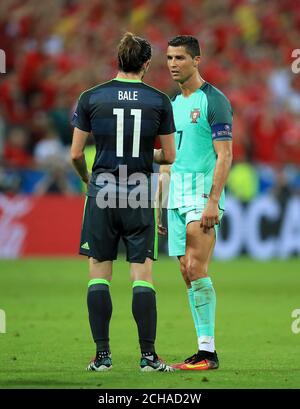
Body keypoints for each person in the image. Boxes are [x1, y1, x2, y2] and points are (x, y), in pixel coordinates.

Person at [70, 32, 176, 372]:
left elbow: (74, 153)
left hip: (101, 189)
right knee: (142, 276)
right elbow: (169, 156)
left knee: (99, 275)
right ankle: (148, 357)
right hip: (138, 191)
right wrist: (146, 151)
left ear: (118, 59)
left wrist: (88, 179)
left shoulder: (90, 97)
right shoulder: (159, 101)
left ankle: (102, 357)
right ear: (146, 64)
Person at [158, 35, 233, 370]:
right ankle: (203, 349)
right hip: (175, 195)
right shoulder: (172, 104)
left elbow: (225, 154)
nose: (173, 64)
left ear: (196, 60)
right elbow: (168, 158)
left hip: (201, 193)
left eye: (180, 58)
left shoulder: (213, 100)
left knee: (195, 267)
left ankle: (208, 352)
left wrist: (214, 200)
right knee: (186, 273)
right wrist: (160, 202)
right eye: (169, 58)